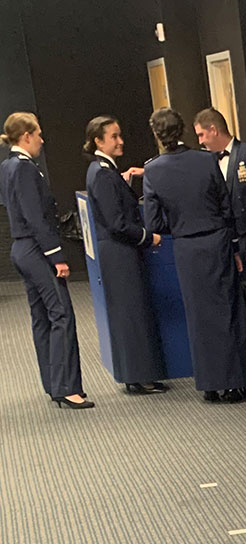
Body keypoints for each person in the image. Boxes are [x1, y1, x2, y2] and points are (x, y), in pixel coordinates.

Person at [142, 107, 246, 403]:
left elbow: (154, 223)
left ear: (157, 135)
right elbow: (225, 205)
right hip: (216, 241)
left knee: (198, 315)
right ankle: (236, 383)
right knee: (229, 311)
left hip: (186, 246)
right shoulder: (207, 160)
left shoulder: (153, 170)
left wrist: (179, 223)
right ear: (182, 130)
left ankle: (209, 383)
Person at [0, 112, 91, 409]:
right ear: (26, 135)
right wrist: (57, 256)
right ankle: (67, 388)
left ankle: (54, 384)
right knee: (61, 314)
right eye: (38, 133)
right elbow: (36, 217)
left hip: (22, 249)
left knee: (42, 317)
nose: (41, 138)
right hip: (36, 249)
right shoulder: (25, 168)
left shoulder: (8, 166)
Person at [83, 115, 168, 396]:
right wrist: (148, 237)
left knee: (131, 312)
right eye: (114, 137)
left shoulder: (103, 171)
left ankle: (137, 374)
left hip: (118, 252)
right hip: (120, 253)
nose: (120, 141)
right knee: (131, 313)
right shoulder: (102, 173)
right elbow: (117, 223)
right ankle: (139, 376)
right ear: (99, 140)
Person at [192, 107, 246, 327]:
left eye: (201, 135)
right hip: (236, 242)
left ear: (213, 130)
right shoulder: (209, 162)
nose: (201, 142)